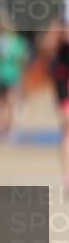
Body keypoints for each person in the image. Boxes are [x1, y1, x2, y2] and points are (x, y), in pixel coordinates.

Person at [43, 17, 69, 189]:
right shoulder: (59, 38)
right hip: (64, 91)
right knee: (67, 132)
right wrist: (57, 29)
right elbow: (47, 47)